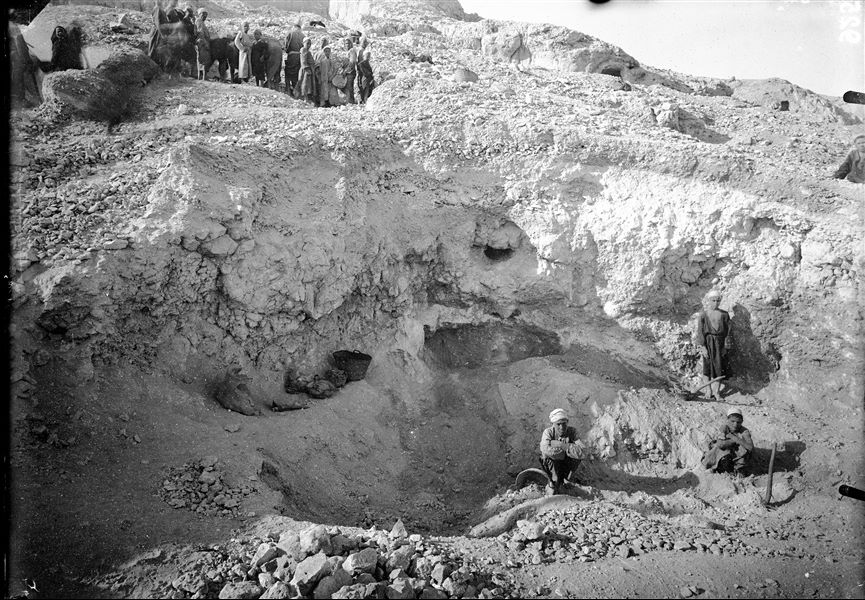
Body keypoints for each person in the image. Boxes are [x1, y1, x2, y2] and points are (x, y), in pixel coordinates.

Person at [693, 290, 732, 402]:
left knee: (719, 368)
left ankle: (717, 392)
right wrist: (703, 347)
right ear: (709, 301)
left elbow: (728, 332)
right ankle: (708, 390)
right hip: (708, 343)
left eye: (718, 301)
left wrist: (725, 346)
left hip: (720, 343)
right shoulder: (703, 315)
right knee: (707, 368)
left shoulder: (724, 314)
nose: (715, 303)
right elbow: (700, 332)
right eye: (713, 300)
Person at [539, 408, 583, 495]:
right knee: (546, 459)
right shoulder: (548, 432)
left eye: (564, 424)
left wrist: (561, 445)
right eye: (558, 424)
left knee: (576, 457)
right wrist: (569, 450)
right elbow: (545, 449)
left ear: (567, 422)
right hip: (553, 463)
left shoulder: (572, 432)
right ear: (553, 424)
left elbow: (582, 451)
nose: (561, 427)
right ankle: (553, 483)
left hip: (566, 464)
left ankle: (567, 480)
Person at [702, 407, 753, 476]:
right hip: (726, 453)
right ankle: (714, 467)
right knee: (717, 448)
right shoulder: (725, 427)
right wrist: (732, 441)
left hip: (739, 456)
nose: (735, 424)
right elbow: (720, 444)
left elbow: (750, 447)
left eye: (738, 422)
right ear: (727, 419)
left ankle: (737, 470)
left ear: (742, 422)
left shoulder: (744, 431)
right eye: (732, 421)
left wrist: (735, 439)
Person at [283, 20, 304, 95]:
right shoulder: (303, 35)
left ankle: (288, 90)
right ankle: (296, 91)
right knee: (296, 74)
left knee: (288, 72)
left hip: (292, 56)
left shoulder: (290, 33)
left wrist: (286, 50)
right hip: (300, 56)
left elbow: (286, 45)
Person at [295, 37, 317, 104]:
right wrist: (306, 69)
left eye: (310, 44)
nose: (309, 45)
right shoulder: (303, 49)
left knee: (308, 84)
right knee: (305, 84)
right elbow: (303, 60)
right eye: (307, 43)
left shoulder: (308, 51)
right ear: (303, 43)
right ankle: (305, 98)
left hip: (309, 69)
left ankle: (306, 98)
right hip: (305, 70)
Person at [356, 39, 375, 104]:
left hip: (367, 79)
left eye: (369, 56)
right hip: (365, 78)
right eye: (367, 56)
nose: (368, 57)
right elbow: (364, 72)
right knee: (364, 89)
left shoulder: (367, 63)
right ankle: (363, 100)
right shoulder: (361, 63)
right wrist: (370, 74)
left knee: (367, 89)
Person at [194, 8, 211, 80]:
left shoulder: (201, 22)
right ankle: (202, 77)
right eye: (203, 15)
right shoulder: (199, 21)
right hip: (201, 42)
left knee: (204, 59)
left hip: (203, 42)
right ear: (200, 14)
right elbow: (201, 33)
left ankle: (203, 76)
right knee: (202, 59)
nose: (205, 17)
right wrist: (205, 43)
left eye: (206, 15)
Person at [341, 37, 357, 104]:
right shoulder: (347, 52)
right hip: (347, 72)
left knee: (349, 87)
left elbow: (352, 62)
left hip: (350, 72)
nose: (347, 45)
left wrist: (345, 71)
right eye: (346, 43)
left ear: (351, 44)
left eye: (348, 43)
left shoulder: (352, 51)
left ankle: (350, 101)